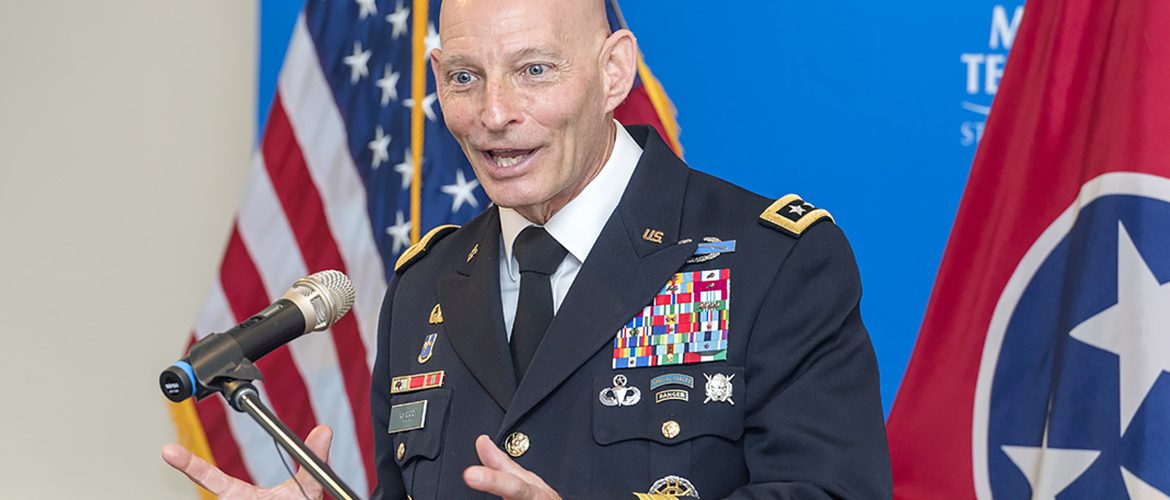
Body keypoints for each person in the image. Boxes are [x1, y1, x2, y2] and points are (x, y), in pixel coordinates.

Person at [163, 0, 893, 498]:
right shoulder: (423, 288)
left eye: (534, 70)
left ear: (614, 72)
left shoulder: (774, 263)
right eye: (464, 78)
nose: (494, 114)